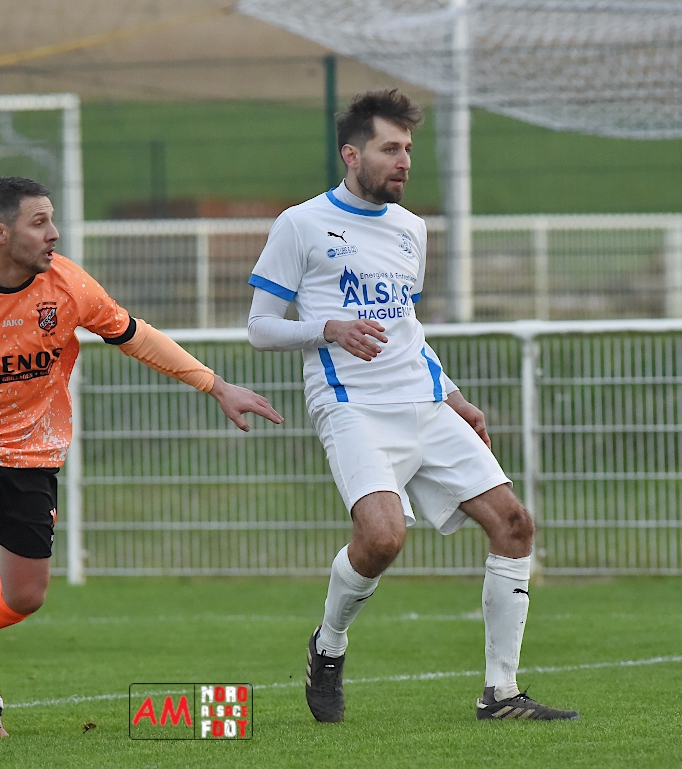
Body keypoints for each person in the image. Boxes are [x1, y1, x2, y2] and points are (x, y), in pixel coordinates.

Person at [0, 176, 282, 738]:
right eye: (39, 223)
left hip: (35, 454)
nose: (54, 233)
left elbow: (136, 336)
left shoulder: (68, 285)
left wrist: (215, 385)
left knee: (25, 597)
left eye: (52, 220)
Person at [246, 91, 577, 722]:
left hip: (425, 402)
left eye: (408, 150)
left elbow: (407, 330)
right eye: (389, 149)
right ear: (352, 154)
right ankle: (329, 644)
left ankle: (501, 694)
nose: (403, 162)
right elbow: (261, 328)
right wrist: (328, 328)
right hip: (352, 407)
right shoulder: (301, 224)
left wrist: (454, 396)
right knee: (381, 538)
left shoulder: (410, 228)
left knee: (514, 525)